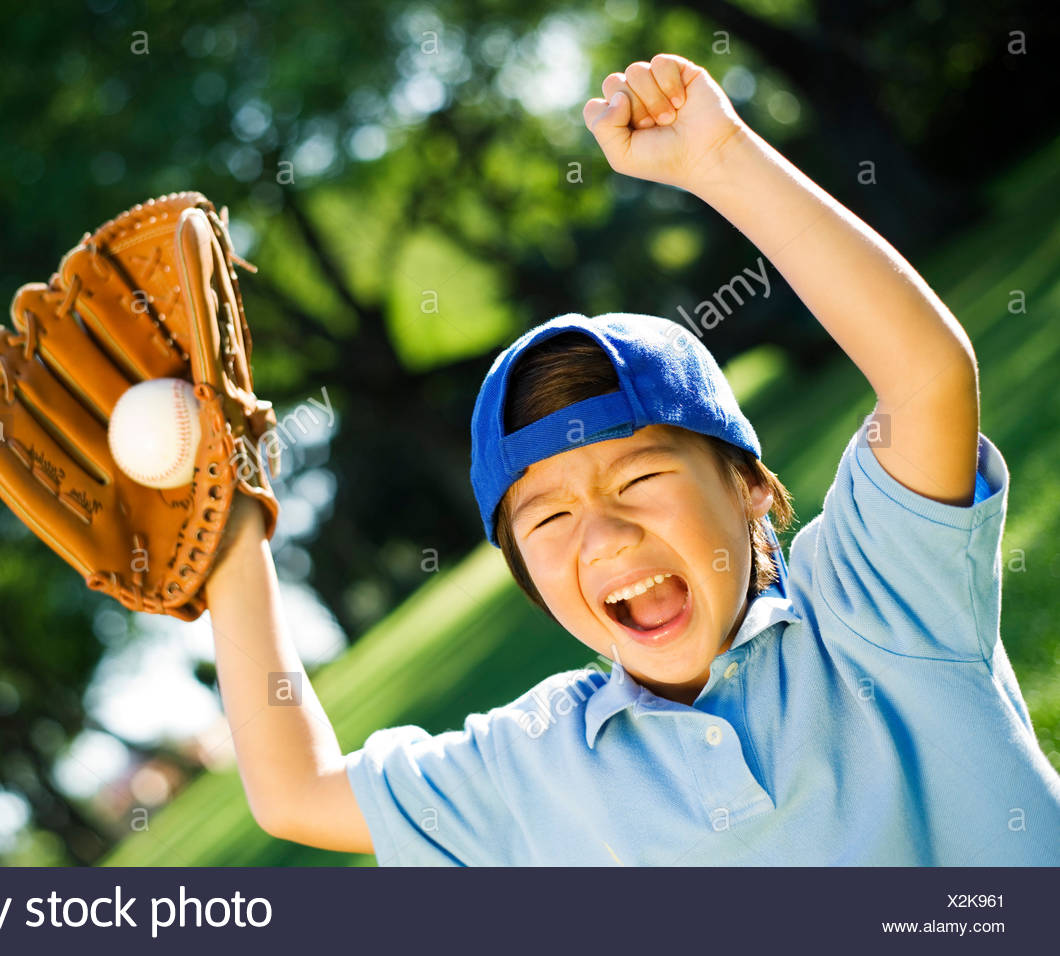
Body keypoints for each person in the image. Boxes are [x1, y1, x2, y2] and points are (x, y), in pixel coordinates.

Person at [204, 54, 1060, 864]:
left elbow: (926, 378)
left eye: (642, 477)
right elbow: (296, 793)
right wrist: (234, 528)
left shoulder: (873, 603)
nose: (604, 536)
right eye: (548, 516)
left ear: (751, 484)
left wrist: (724, 161)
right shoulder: (538, 765)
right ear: (524, 572)